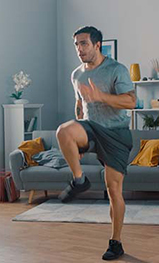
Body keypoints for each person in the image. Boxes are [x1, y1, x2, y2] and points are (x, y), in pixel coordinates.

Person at [56, 26, 135, 261]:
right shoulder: (76, 74)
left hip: (117, 134)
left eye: (84, 44)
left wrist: (102, 96)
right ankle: (79, 180)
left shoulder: (116, 70)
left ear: (97, 45)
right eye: (77, 45)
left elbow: (131, 102)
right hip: (91, 128)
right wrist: (77, 143)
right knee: (63, 131)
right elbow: (80, 107)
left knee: (113, 189)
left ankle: (116, 242)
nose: (79, 49)